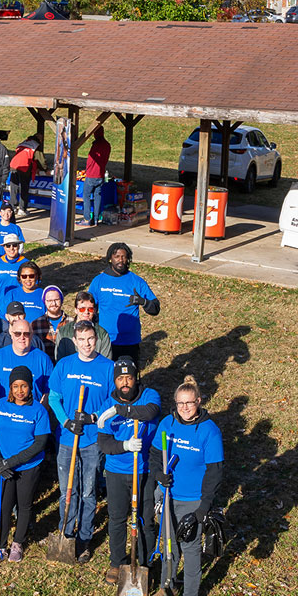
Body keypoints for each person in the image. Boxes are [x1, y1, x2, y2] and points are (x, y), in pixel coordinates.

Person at [49, 321, 116, 563]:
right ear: (75, 341)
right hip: (68, 439)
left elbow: (113, 403)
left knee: (88, 491)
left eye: (90, 339)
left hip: (92, 440)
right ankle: (65, 533)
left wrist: (93, 417)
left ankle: (84, 537)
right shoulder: (64, 365)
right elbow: (54, 398)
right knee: (69, 489)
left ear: (96, 339)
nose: (86, 343)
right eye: (82, 339)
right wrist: (66, 422)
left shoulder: (108, 368)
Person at [151, 376, 224, 596]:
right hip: (168, 496)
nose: (185, 407)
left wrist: (203, 508)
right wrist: (158, 475)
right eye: (180, 403)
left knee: (190, 549)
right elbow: (155, 454)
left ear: (199, 401)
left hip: (193, 500)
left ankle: (190, 593)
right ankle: (167, 585)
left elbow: (215, 472)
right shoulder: (167, 424)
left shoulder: (209, 431)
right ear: (175, 403)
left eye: (189, 402)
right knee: (169, 544)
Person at [95, 357, 160, 584]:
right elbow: (104, 443)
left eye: (129, 377)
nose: (125, 382)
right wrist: (125, 446)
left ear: (136, 378)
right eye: (120, 378)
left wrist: (121, 410)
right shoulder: (106, 405)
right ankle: (117, 562)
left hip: (144, 470)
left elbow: (150, 412)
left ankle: (145, 563)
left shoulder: (149, 395)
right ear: (115, 381)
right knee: (117, 518)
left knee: (144, 519)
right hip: (116, 472)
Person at [0, 365, 51, 566]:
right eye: (15, 386)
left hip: (28, 466)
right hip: (2, 467)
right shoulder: (0, 405)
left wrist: (11, 462)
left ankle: (18, 543)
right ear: (10, 387)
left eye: (23, 386)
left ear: (30, 387)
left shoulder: (38, 410)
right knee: (3, 506)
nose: (20, 391)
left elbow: (40, 443)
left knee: (24, 505)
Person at [87, 242, 158, 365]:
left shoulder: (136, 281)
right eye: (117, 256)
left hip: (129, 341)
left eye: (124, 257)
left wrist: (143, 301)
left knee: (128, 379)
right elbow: (89, 308)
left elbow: (155, 309)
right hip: (105, 340)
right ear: (110, 258)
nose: (121, 260)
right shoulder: (99, 281)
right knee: (107, 377)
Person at [0, 319, 54, 401]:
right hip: (4, 411)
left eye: (26, 334)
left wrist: (41, 411)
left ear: (32, 335)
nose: (22, 337)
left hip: (32, 411)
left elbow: (49, 391)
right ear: (11, 334)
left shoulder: (43, 359)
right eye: (18, 334)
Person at [81, 126, 112, 225]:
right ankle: (96, 219)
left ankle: (86, 219)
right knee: (97, 196)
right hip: (101, 174)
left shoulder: (96, 145)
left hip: (91, 175)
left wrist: (87, 171)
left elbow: (90, 159)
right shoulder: (107, 145)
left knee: (86, 196)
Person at [8, 134, 44, 215]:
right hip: (24, 166)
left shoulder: (22, 143)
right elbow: (40, 159)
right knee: (24, 187)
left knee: (14, 187)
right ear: (39, 140)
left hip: (13, 165)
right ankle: (22, 208)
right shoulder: (35, 145)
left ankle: (13, 207)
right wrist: (45, 169)